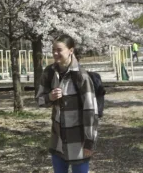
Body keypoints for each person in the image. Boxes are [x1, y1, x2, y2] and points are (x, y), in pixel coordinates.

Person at [36, 35, 99, 173]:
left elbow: (90, 110)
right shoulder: (49, 72)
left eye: (59, 50)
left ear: (71, 50)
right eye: (53, 50)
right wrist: (50, 97)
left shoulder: (81, 76)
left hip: (78, 142)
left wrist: (89, 141)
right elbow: (39, 100)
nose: (55, 53)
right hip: (57, 140)